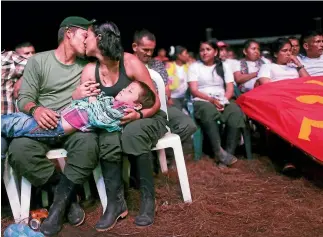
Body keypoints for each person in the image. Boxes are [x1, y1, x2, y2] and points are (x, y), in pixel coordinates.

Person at [72, 21, 168, 230]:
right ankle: (116, 204)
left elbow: (156, 101)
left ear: (99, 38)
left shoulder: (130, 62)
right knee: (107, 138)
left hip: (147, 116)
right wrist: (78, 96)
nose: (84, 40)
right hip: (114, 123)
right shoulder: (90, 71)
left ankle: (147, 200)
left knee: (133, 133)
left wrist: (138, 114)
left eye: (87, 36)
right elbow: (88, 110)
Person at [8, 16, 99, 236]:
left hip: (71, 125)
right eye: (84, 35)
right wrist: (36, 110)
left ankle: (57, 208)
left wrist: (75, 98)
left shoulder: (86, 66)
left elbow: (91, 101)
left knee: (89, 145)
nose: (87, 41)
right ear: (69, 33)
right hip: (43, 124)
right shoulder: (38, 61)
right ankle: (63, 191)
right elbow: (25, 98)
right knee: (19, 151)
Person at [2, 81, 156, 138]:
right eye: (126, 87)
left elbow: (100, 119)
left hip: (58, 126)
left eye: (129, 91)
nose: (123, 90)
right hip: (59, 117)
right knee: (17, 120)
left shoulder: (124, 111)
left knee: (16, 125)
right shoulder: (113, 102)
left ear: (137, 105)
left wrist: (92, 99)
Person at [132, 29, 197, 153]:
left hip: (161, 106)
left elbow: (166, 89)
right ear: (135, 47)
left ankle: (163, 153)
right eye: (145, 50)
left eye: (152, 49)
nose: (149, 53)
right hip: (138, 109)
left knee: (188, 125)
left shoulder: (157, 64)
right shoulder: (127, 64)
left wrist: (165, 96)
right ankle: (150, 156)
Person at [188, 40, 247, 168]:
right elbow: (194, 90)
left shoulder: (224, 66)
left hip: (222, 99)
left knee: (235, 112)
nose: (204, 52)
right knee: (208, 111)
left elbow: (230, 89)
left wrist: (223, 101)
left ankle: (228, 153)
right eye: (202, 50)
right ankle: (219, 152)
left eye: (208, 49)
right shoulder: (194, 67)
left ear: (215, 52)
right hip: (202, 99)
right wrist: (211, 100)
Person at [257, 38, 310, 176]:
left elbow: (308, 83)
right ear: (275, 54)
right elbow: (265, 86)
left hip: (297, 102)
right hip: (278, 102)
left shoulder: (294, 67)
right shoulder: (267, 67)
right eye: (284, 51)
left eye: (290, 51)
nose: (288, 54)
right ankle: (288, 161)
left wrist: (298, 64)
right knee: (286, 117)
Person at [166, 45, 190, 111]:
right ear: (179, 56)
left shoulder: (189, 66)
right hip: (173, 98)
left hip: (187, 98)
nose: (188, 55)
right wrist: (168, 98)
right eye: (186, 53)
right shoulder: (169, 67)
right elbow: (165, 84)